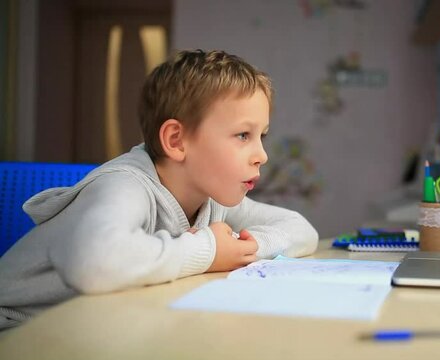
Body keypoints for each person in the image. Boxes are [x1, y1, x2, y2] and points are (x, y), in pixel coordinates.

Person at [0, 50, 319, 331]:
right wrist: (209, 252)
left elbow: (301, 230)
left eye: (262, 135)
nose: (262, 154)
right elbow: (92, 264)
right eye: (242, 136)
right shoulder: (124, 184)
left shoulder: (211, 197)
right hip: (17, 329)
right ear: (177, 141)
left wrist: (245, 247)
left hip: (86, 327)